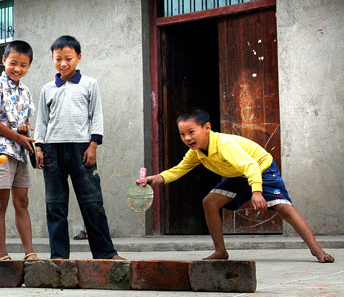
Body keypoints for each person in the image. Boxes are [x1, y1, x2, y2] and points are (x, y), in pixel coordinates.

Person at [141, 108, 335, 263]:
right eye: (182, 134)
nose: (187, 138)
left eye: (191, 132)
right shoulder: (196, 151)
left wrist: (257, 192)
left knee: (284, 209)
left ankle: (317, 250)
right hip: (238, 174)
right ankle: (220, 251)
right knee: (209, 202)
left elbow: (251, 165)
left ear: (207, 127)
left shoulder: (224, 145)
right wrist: (157, 178)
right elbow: (178, 170)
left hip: (262, 169)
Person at [34, 35, 123, 260]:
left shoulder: (89, 84)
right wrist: (39, 147)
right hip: (52, 151)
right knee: (55, 205)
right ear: (52, 59)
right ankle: (59, 257)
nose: (63, 63)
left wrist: (93, 145)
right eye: (58, 59)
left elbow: (97, 115)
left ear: (79, 58)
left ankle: (106, 254)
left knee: (92, 202)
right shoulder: (47, 88)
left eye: (68, 58)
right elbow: (42, 121)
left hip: (81, 149)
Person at [0, 40, 38, 261]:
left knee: (22, 202)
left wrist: (24, 129)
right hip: (0, 153)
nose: (18, 68)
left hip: (21, 152)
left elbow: (24, 123)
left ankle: (29, 252)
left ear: (29, 66)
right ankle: (2, 254)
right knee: (1, 202)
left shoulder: (25, 91)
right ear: (4, 60)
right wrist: (17, 136)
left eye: (23, 65)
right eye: (13, 63)